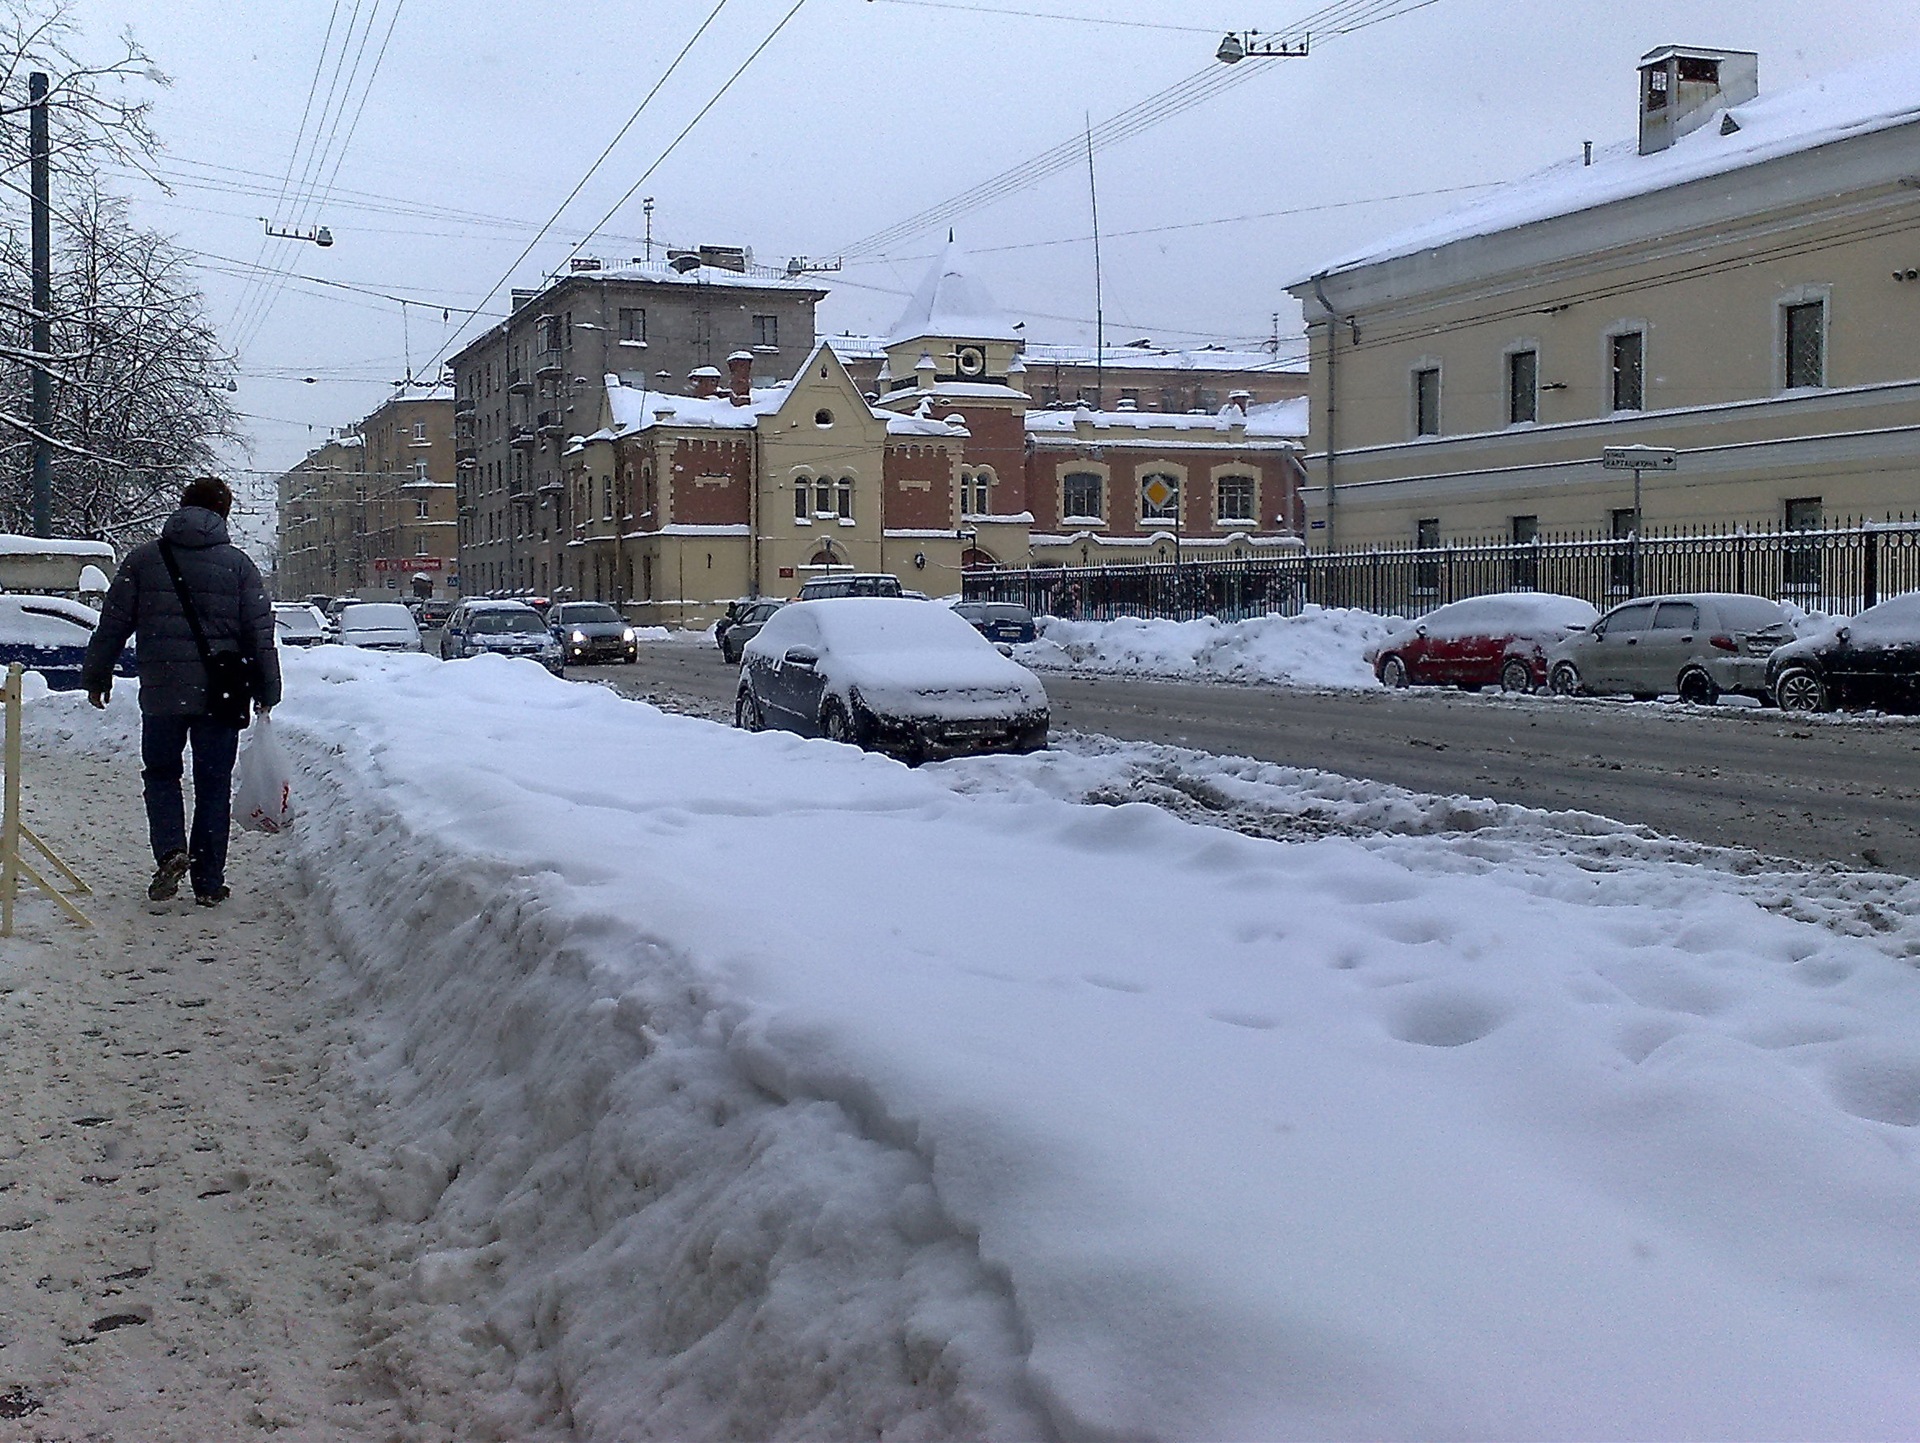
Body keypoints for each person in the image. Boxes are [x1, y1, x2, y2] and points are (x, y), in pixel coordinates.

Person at [81, 476, 281, 906]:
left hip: (162, 689)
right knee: (212, 783)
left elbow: (113, 623)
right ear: (222, 514)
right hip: (221, 694)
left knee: (161, 774)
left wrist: (97, 674)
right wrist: (268, 687)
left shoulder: (143, 560)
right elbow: (259, 634)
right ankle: (208, 882)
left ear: (182, 506)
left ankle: (171, 851)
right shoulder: (239, 565)